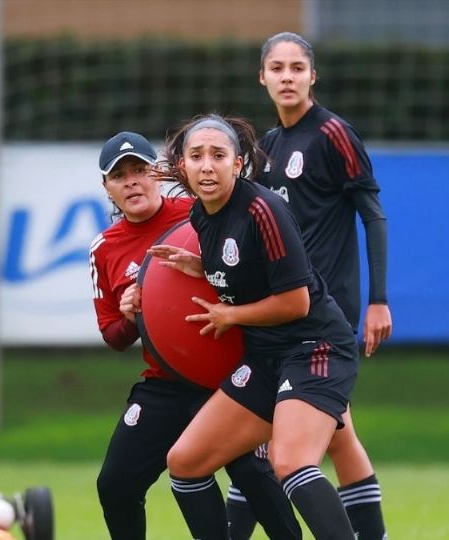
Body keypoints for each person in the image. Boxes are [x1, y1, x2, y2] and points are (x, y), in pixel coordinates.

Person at [147, 113, 359, 539]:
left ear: (239, 163)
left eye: (218, 155)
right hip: (264, 358)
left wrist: (230, 316)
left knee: (291, 462)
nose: (207, 165)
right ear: (183, 166)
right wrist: (203, 267)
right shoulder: (202, 215)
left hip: (315, 349)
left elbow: (296, 302)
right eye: (196, 156)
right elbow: (244, 269)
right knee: (185, 463)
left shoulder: (264, 209)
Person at [89, 131, 301, 540]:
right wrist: (130, 313)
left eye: (140, 170)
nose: (131, 181)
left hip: (228, 378)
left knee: (252, 474)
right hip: (165, 383)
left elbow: (256, 278)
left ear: (160, 173)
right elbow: (113, 337)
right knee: (115, 483)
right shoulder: (104, 248)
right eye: (119, 176)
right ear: (107, 188)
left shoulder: (199, 213)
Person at [227, 31, 393, 540]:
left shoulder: (334, 134)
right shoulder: (269, 146)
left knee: (264, 444)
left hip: (325, 318)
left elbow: (373, 216)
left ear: (312, 76)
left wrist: (378, 301)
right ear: (262, 77)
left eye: (297, 68)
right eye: (277, 68)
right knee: (339, 436)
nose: (287, 77)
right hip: (285, 311)